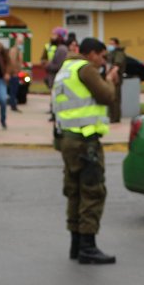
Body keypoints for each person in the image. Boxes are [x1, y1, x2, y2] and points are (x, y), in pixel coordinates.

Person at [53, 37, 120, 265]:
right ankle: (88, 247)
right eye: (102, 56)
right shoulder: (86, 69)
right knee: (92, 191)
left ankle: (76, 244)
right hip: (85, 140)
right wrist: (110, 80)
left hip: (68, 139)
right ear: (91, 54)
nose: (103, 61)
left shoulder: (65, 69)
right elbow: (107, 96)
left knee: (74, 192)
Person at [106, 37, 127, 123]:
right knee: (112, 99)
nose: (110, 45)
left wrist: (110, 75)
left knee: (115, 99)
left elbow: (116, 66)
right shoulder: (112, 53)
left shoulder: (119, 53)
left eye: (112, 44)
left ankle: (115, 118)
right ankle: (113, 117)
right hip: (111, 79)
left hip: (115, 79)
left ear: (117, 44)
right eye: (109, 44)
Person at [7, 41, 22, 112]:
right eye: (20, 42)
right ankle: (13, 105)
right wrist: (14, 71)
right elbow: (12, 61)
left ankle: (13, 104)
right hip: (14, 74)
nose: (21, 44)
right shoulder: (14, 51)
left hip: (16, 73)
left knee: (14, 90)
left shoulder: (18, 50)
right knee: (13, 90)